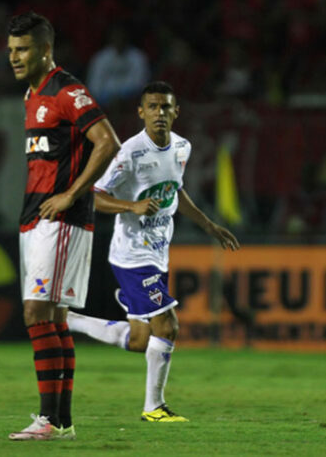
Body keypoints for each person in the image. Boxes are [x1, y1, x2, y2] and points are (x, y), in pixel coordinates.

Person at [67, 81, 240, 422]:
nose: (159, 113)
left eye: (166, 107)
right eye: (153, 107)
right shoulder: (128, 152)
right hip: (132, 255)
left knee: (141, 340)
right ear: (141, 112)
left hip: (159, 253)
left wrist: (209, 225)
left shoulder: (182, 148)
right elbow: (92, 195)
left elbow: (176, 192)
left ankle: (70, 319)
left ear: (176, 112)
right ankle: (154, 408)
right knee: (168, 326)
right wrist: (130, 206)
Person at [6, 11, 121, 441]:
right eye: (12, 50)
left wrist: (72, 194)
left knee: (37, 314)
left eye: (24, 49)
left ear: (45, 50)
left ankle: (48, 420)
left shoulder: (66, 90)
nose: (15, 57)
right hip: (37, 218)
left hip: (61, 219)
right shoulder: (31, 95)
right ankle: (62, 422)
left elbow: (107, 141)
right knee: (53, 319)